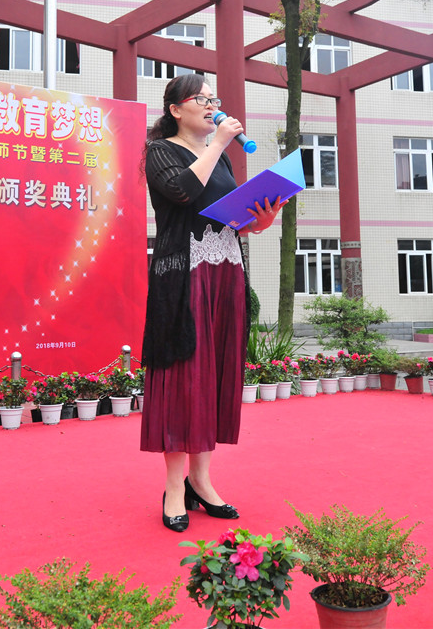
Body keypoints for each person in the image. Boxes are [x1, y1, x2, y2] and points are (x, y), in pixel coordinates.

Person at [139, 73, 285, 532]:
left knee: (212, 375)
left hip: (225, 274)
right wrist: (219, 142)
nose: (210, 105)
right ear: (175, 110)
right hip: (183, 277)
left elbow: (231, 219)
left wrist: (261, 219)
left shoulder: (218, 158)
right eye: (200, 99)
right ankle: (174, 487)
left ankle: (201, 481)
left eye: (213, 98)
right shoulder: (161, 151)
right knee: (183, 375)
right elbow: (182, 192)